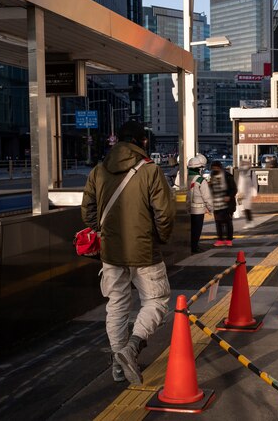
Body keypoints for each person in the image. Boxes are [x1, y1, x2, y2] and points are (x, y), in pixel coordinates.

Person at [81, 121, 175, 385]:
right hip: (145, 250)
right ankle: (131, 349)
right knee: (156, 300)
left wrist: (101, 231)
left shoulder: (99, 170)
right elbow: (164, 213)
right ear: (141, 142)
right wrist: (161, 237)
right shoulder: (150, 170)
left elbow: (87, 210)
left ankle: (118, 366)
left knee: (117, 305)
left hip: (110, 252)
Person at [186, 155, 213, 253]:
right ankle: (194, 247)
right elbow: (207, 197)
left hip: (186, 209)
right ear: (199, 169)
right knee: (196, 230)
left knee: (188, 230)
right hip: (198, 211)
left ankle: (189, 247)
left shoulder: (183, 178)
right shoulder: (201, 180)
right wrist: (211, 209)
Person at [209, 160, 237, 247]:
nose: (215, 169)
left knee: (228, 222)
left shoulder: (228, 176)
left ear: (220, 167)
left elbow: (234, 189)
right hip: (216, 203)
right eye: (213, 168)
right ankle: (220, 239)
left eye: (216, 168)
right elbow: (212, 190)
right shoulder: (212, 176)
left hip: (227, 204)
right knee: (218, 222)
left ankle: (229, 239)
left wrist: (229, 196)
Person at [237, 159, 258, 229]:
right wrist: (238, 192)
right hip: (242, 193)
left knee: (247, 208)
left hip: (248, 193)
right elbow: (240, 183)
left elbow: (255, 183)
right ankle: (249, 221)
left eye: (245, 164)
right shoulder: (241, 173)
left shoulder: (252, 173)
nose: (244, 165)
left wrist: (254, 193)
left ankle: (250, 222)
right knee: (244, 208)